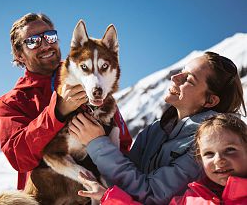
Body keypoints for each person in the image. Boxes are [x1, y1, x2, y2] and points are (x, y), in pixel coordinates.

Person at [69, 51, 246, 204]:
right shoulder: (154, 130)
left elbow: (152, 195)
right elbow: (126, 178)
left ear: (210, 100)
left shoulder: (210, 144)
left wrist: (97, 143)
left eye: (188, 79)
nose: (175, 77)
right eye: (182, 72)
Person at [0, 12, 132, 190]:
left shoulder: (90, 76)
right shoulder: (11, 102)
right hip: (49, 198)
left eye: (50, 37)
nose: (45, 45)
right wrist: (58, 111)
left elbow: (124, 144)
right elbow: (19, 158)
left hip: (103, 196)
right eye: (33, 41)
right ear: (19, 55)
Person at [170, 113, 247, 204]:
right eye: (209, 153)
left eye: (229, 149)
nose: (218, 160)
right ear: (200, 159)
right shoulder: (189, 199)